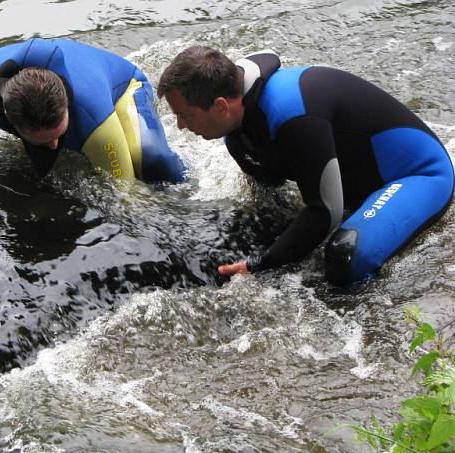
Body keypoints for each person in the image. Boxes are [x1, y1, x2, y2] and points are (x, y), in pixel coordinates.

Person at [158, 46, 454, 287]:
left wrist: (261, 264)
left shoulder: (292, 116)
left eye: (186, 115)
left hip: (419, 176)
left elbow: (325, 211)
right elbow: (270, 195)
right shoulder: (238, 131)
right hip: (356, 184)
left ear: (221, 106)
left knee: (344, 256)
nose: (181, 126)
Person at [0, 37, 187, 183]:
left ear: (66, 102)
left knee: (153, 164)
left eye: (58, 133)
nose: (55, 146)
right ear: (9, 118)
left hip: (124, 87)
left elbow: (127, 197)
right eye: (46, 140)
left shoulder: (93, 118)